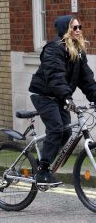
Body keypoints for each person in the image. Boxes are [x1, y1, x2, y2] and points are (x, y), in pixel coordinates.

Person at [29, 15, 96, 186]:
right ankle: (43, 171)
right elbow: (55, 76)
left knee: (66, 132)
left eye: (80, 27)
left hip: (60, 97)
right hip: (44, 96)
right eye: (75, 27)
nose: (79, 30)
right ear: (65, 30)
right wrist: (67, 97)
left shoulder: (77, 52)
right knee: (57, 129)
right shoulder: (54, 49)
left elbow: (87, 79)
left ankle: (41, 163)